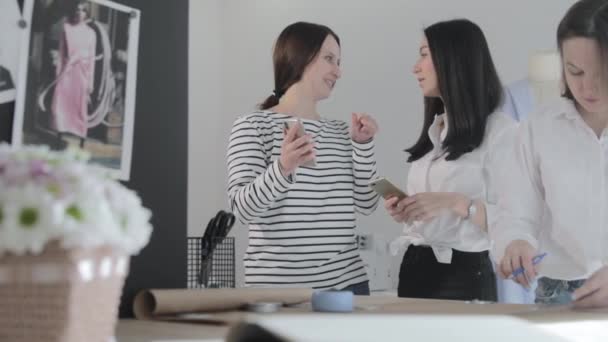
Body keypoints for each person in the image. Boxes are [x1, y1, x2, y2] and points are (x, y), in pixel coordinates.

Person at [226, 22, 380, 294]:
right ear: (301, 57)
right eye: (329, 59)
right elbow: (242, 209)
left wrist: (363, 146)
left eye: (339, 61)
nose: (338, 71)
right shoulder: (252, 126)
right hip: (276, 290)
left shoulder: (341, 132)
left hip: (347, 287)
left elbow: (367, 203)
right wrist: (283, 168)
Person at [386, 19, 516, 301]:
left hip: (464, 275)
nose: (415, 67)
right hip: (414, 268)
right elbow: (433, 218)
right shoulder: (436, 130)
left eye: (423, 54)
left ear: (453, 59)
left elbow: (515, 220)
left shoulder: (501, 132)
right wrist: (409, 210)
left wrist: (456, 203)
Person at [492, 0, 608, 305]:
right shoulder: (540, 126)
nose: (588, 87)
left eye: (601, 72)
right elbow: (515, 211)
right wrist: (516, 241)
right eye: (575, 71)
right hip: (560, 294)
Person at [51, 0, 96, 147]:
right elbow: (61, 52)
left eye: (83, 10)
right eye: (77, 9)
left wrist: (90, 83)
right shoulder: (66, 27)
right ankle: (59, 135)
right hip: (66, 73)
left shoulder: (91, 33)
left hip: (82, 74)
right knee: (62, 104)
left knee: (80, 107)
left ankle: (82, 139)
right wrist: (58, 75)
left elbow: (91, 59)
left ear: (87, 14)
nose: (79, 12)